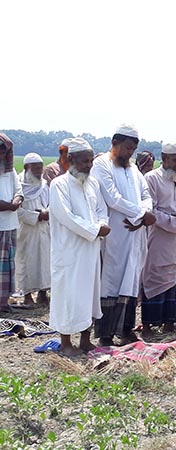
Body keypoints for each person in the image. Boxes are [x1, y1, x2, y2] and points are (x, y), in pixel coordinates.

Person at [90, 124, 154, 346]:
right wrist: (141, 216)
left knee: (132, 280)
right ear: (115, 143)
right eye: (127, 148)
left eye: (133, 149)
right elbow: (112, 198)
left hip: (135, 235)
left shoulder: (134, 169)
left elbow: (146, 195)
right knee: (112, 282)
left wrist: (143, 215)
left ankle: (126, 330)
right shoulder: (101, 165)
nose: (130, 153)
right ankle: (106, 335)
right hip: (115, 235)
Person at [48, 137, 109, 355]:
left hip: (91, 251)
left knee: (89, 296)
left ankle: (85, 340)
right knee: (68, 295)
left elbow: (102, 210)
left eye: (91, 161)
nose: (89, 166)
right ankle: (65, 343)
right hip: (69, 252)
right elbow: (67, 217)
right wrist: (95, 230)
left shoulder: (92, 183)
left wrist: (102, 224)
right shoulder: (59, 185)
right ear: (71, 159)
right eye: (84, 161)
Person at [140, 144, 176, 340]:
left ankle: (170, 322)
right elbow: (151, 212)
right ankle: (148, 325)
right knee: (154, 280)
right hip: (159, 237)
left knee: (174, 279)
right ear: (164, 158)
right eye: (175, 160)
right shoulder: (151, 178)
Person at [16, 153, 51, 305]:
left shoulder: (44, 185)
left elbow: (51, 203)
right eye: (35, 168)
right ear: (26, 167)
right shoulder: (18, 185)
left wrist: (47, 213)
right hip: (25, 231)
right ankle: (27, 296)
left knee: (44, 261)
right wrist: (35, 217)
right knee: (25, 262)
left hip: (44, 230)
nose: (39, 171)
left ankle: (43, 293)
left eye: (40, 167)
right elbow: (16, 210)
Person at [0, 134, 23, 313]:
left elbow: (18, 190)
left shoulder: (10, 171)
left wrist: (16, 201)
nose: (1, 154)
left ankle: (3, 302)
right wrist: (10, 205)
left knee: (7, 265)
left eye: (3, 151)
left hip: (9, 224)